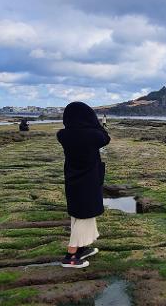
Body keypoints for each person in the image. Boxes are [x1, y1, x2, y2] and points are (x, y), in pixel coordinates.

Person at [56, 101, 110, 268]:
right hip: (88, 181)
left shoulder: (63, 135)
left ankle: (81, 249)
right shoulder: (92, 135)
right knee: (83, 216)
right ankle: (71, 256)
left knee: (79, 216)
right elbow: (105, 138)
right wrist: (97, 123)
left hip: (73, 181)